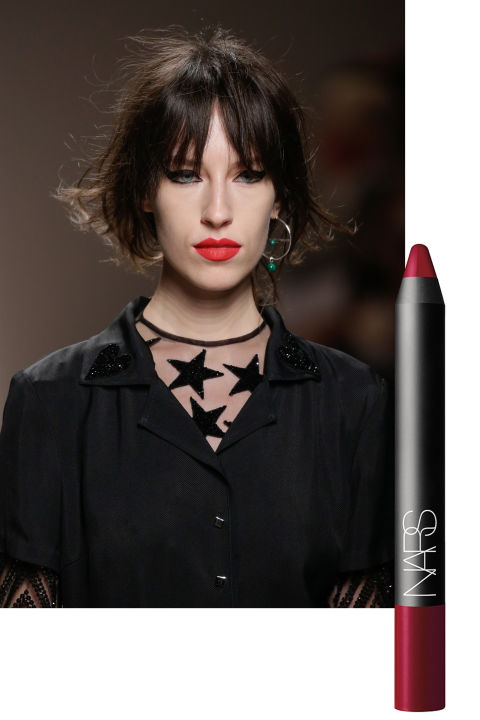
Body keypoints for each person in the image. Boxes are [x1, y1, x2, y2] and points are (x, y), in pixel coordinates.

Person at [0, 25, 394, 608]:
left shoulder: (353, 403)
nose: (217, 210)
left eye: (248, 174)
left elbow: (368, 652)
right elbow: (25, 654)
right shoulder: (51, 401)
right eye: (185, 174)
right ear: (144, 190)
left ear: (279, 195)